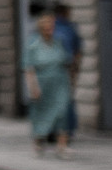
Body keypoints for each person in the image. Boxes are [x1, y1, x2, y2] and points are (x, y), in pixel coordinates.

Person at [23, 11, 75, 157]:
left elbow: (67, 61)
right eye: (46, 25)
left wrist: (71, 80)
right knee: (42, 115)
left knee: (62, 111)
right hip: (42, 84)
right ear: (41, 27)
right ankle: (39, 139)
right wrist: (33, 87)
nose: (49, 28)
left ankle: (62, 145)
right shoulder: (33, 44)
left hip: (60, 82)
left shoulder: (59, 42)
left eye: (51, 26)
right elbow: (28, 68)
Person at [52, 3, 83, 142]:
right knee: (66, 100)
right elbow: (77, 52)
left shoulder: (50, 28)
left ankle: (55, 130)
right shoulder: (70, 28)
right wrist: (75, 70)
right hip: (65, 68)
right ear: (64, 13)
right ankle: (67, 131)